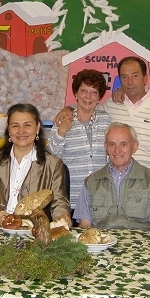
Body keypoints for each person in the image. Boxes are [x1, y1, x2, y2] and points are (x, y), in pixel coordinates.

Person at [56, 56, 150, 194]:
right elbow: (87, 108)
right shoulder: (111, 105)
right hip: (115, 187)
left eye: (135, 76)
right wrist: (68, 110)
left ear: (145, 78)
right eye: (124, 77)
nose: (130, 82)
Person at [0, 103, 71, 223]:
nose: (21, 131)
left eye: (27, 125)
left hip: (32, 230)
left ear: (37, 127)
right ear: (8, 129)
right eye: (15, 126)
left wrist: (62, 217)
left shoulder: (53, 164)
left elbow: (59, 201)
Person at [74, 122, 150, 230]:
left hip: (138, 239)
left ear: (135, 146)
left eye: (123, 144)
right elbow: (85, 225)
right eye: (112, 144)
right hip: (101, 239)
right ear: (106, 147)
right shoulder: (91, 182)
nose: (117, 151)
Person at [47, 69, 111, 209]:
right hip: (70, 199)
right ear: (75, 94)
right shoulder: (62, 120)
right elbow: (51, 156)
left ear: (99, 98)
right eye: (83, 90)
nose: (88, 96)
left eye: (94, 92)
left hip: (100, 199)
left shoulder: (106, 120)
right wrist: (61, 132)